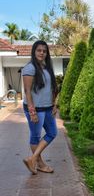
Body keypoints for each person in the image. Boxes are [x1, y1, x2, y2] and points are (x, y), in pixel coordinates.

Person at [22, 40, 58, 174]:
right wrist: (32, 111)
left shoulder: (47, 67)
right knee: (36, 136)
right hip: (35, 109)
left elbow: (52, 88)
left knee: (52, 132)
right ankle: (40, 164)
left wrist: (54, 104)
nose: (42, 53)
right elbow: (27, 91)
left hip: (47, 108)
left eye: (44, 51)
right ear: (34, 51)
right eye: (39, 50)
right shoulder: (30, 68)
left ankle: (32, 158)